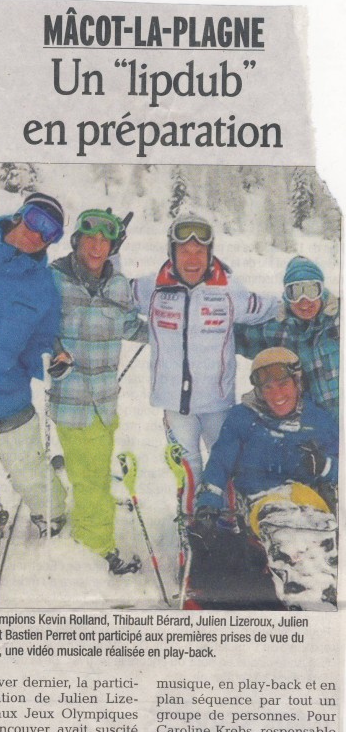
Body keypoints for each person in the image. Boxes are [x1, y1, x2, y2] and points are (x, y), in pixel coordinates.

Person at [132, 210, 278, 516]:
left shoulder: (230, 290)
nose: (193, 258)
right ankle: (193, 528)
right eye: (185, 250)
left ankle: (227, 527)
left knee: (225, 468)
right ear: (172, 252)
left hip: (217, 403)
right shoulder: (151, 288)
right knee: (188, 471)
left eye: (200, 250)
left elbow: (272, 309)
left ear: (210, 254)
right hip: (174, 404)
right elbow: (110, 291)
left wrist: (317, 304)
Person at [0, 192, 67, 574]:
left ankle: (52, 513)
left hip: (8, 396)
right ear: (20, 213)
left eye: (51, 232)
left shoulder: (43, 287)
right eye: (37, 220)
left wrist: (53, 359)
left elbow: (42, 340)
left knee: (29, 469)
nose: (39, 235)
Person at [192, 348, 338, 610]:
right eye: (267, 388)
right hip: (263, 502)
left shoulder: (319, 420)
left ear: (297, 382)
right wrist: (208, 505)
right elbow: (219, 463)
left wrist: (324, 465)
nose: (277, 395)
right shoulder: (243, 418)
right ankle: (307, 601)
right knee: (287, 536)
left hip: (311, 503)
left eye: (283, 384)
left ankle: (320, 599)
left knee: (319, 540)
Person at [49, 208, 148, 575]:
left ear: (113, 246)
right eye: (89, 238)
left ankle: (75, 504)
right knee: (91, 480)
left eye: (104, 240)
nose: (96, 246)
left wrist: (171, 333)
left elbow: (129, 326)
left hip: (106, 401)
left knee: (91, 467)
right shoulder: (54, 280)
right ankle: (95, 545)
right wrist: (53, 346)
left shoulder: (118, 284)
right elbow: (37, 322)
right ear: (76, 241)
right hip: (72, 401)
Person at [234, 255, 339, 420]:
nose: (304, 301)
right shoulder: (278, 331)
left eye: (311, 290)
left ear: (322, 291)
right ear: (285, 296)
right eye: (294, 292)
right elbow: (231, 336)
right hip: (313, 429)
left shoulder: (339, 321)